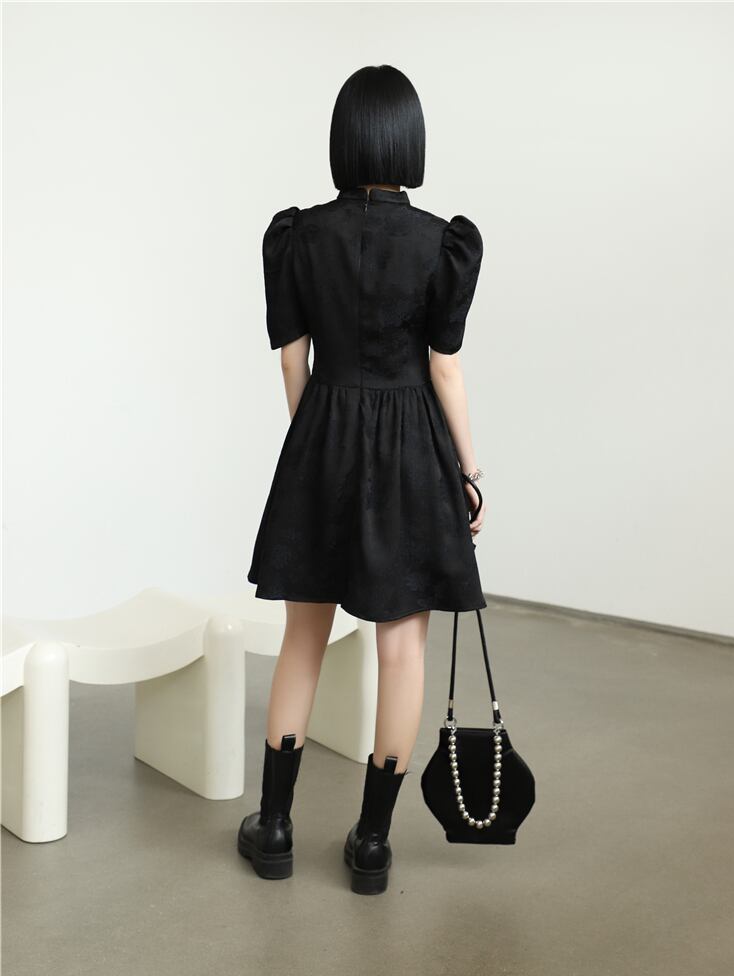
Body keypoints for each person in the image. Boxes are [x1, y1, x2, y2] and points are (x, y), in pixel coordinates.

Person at [237, 64, 486, 895]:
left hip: (323, 437)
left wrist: (313, 440)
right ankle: (372, 844)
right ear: (409, 140)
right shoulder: (441, 243)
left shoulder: (298, 236)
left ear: (343, 140)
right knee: (402, 647)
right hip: (413, 448)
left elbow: (291, 360)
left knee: (304, 636)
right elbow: (443, 369)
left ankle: (274, 829)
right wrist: (470, 471)